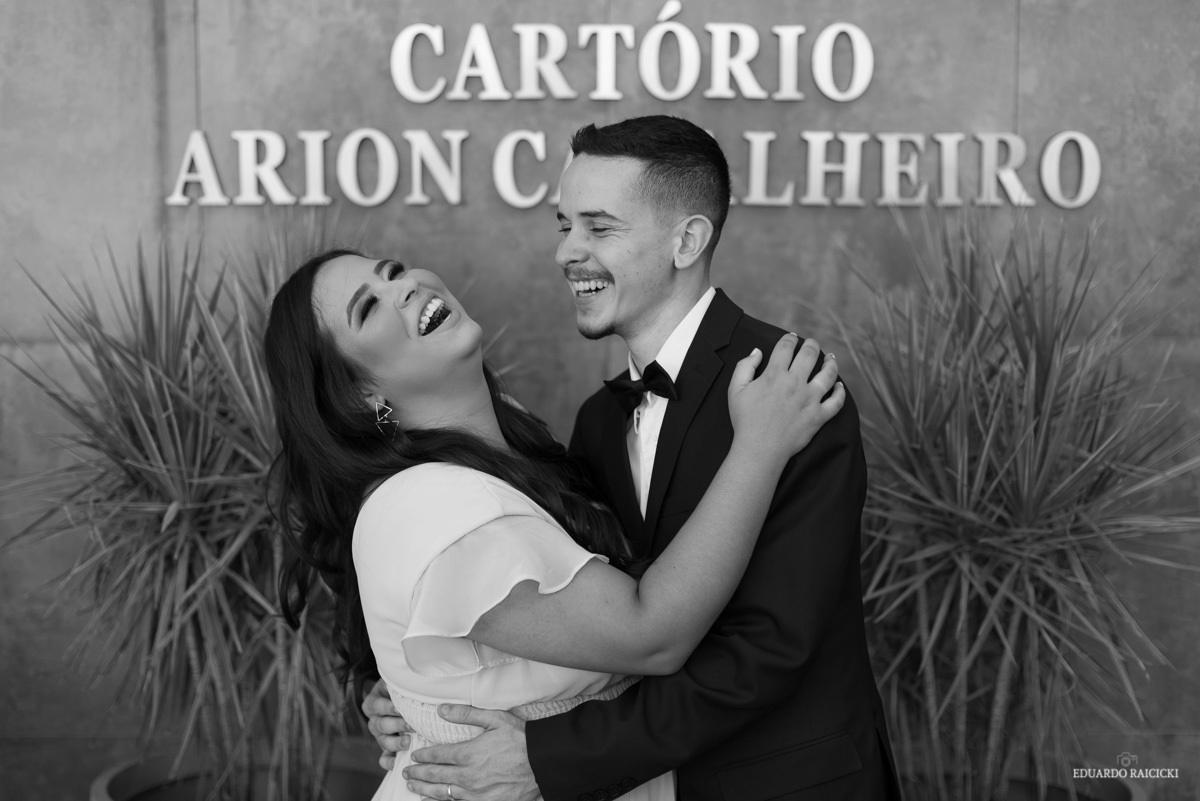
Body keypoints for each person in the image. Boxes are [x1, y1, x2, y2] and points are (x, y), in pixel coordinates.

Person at [372, 116, 904, 801]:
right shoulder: (598, 422)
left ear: (686, 241)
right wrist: (400, 695)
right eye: (564, 225)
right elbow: (582, 614)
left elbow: (766, 650)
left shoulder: (790, 389)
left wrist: (551, 757)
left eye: (599, 228)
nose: (567, 251)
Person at [262, 246, 845, 801]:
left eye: (393, 271)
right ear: (360, 396)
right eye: (369, 307)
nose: (405, 286)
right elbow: (652, 635)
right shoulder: (425, 504)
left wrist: (408, 697)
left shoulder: (523, 450)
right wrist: (761, 445)